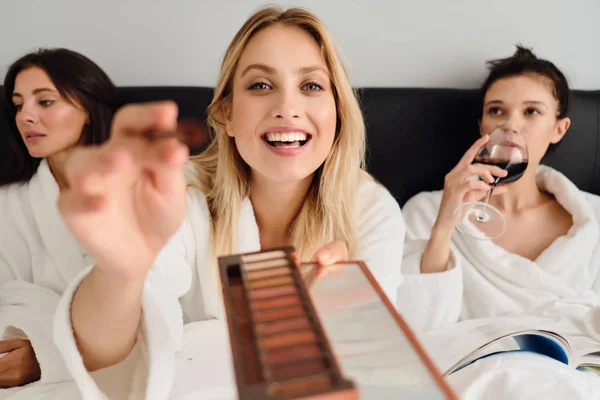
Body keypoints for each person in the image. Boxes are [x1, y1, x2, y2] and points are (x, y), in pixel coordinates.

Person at [53, 6, 406, 399]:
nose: (287, 108)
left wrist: (319, 329)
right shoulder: (176, 195)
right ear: (226, 116)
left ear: (338, 112)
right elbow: (111, 359)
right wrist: (121, 272)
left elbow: (368, 366)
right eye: (260, 86)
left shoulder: (372, 211)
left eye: (311, 86)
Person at [398, 46, 600, 398]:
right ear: (482, 126)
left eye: (532, 112)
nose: (511, 126)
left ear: (559, 128)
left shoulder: (594, 218)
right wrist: (444, 226)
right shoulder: (426, 211)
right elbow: (416, 327)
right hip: (475, 380)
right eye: (496, 111)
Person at [0, 48, 115, 391]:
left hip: (119, 374)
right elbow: (8, 301)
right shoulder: (8, 204)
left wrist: (48, 352)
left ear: (89, 110)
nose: (25, 116)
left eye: (45, 102)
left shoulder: (144, 193)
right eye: (19, 105)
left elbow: (158, 304)